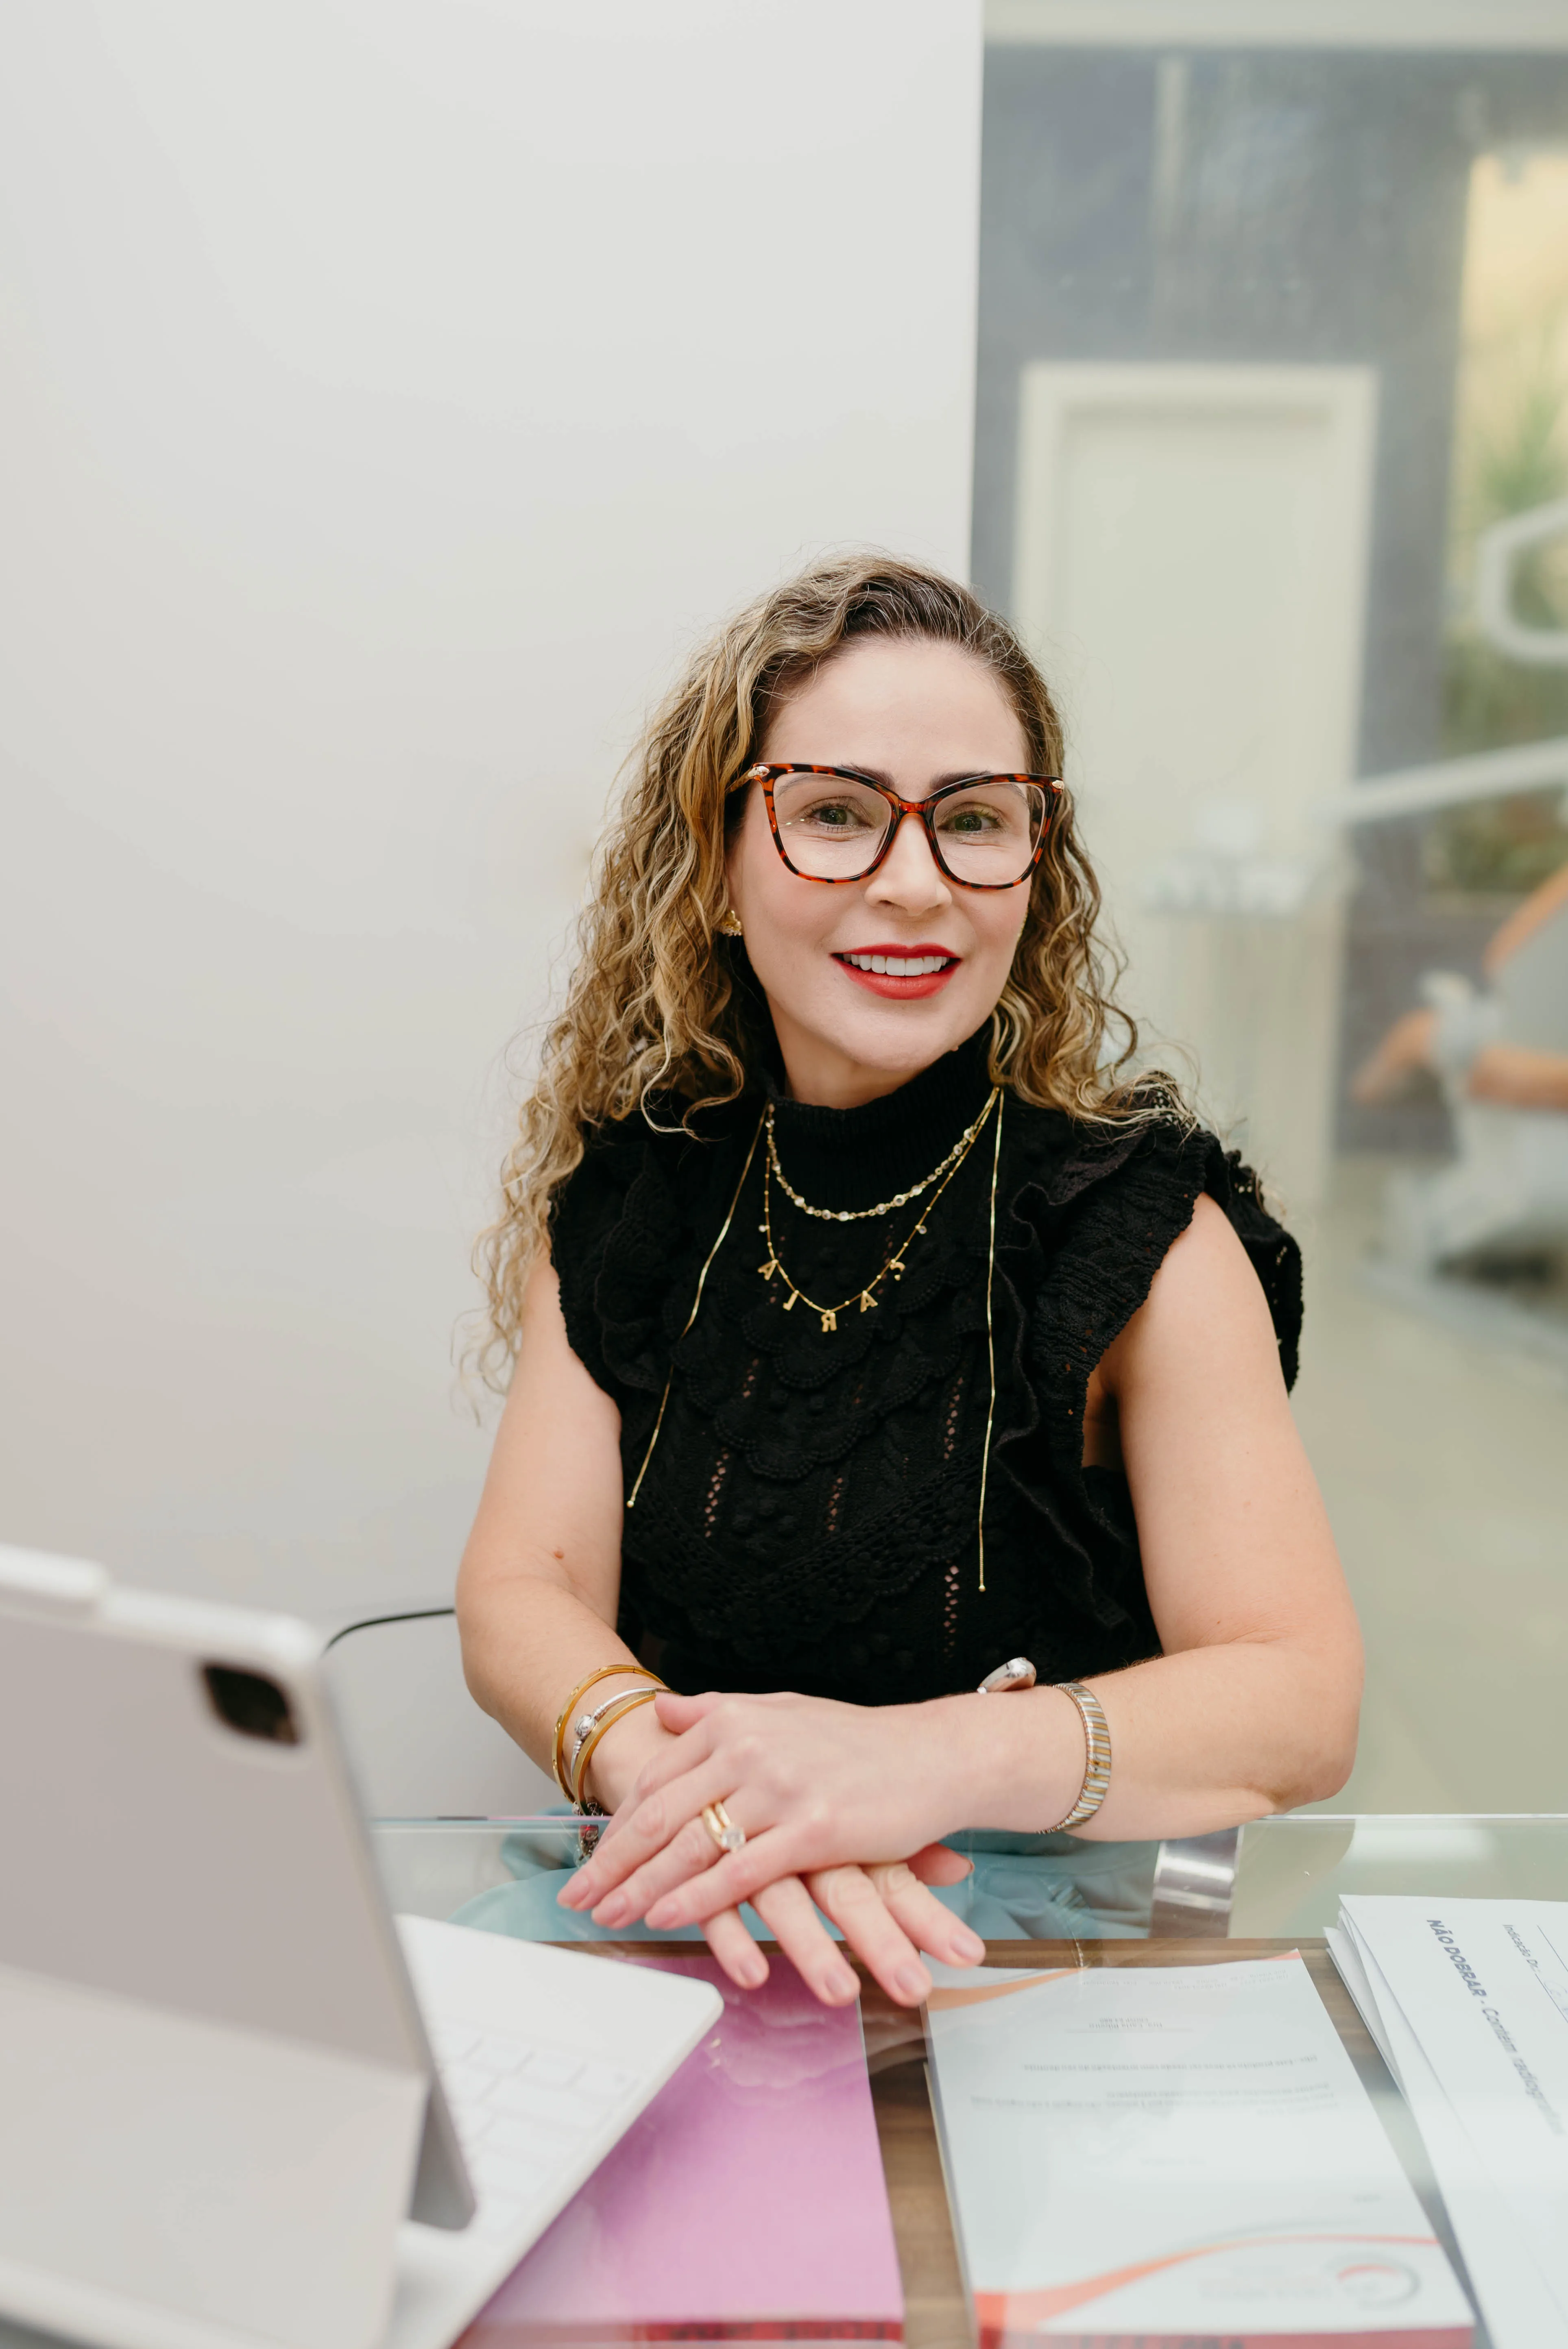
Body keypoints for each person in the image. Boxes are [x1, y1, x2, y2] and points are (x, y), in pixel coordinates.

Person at [456, 556, 1361, 2011]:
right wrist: (711, 1798)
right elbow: (523, 1586)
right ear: (715, 865)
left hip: (1019, 1974)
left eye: (974, 820)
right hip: (688, 1908)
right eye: (834, 811)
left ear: (1032, 872)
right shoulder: (637, 1196)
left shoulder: (1143, 1233)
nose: (914, 881)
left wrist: (904, 1765)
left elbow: (1298, 1697)